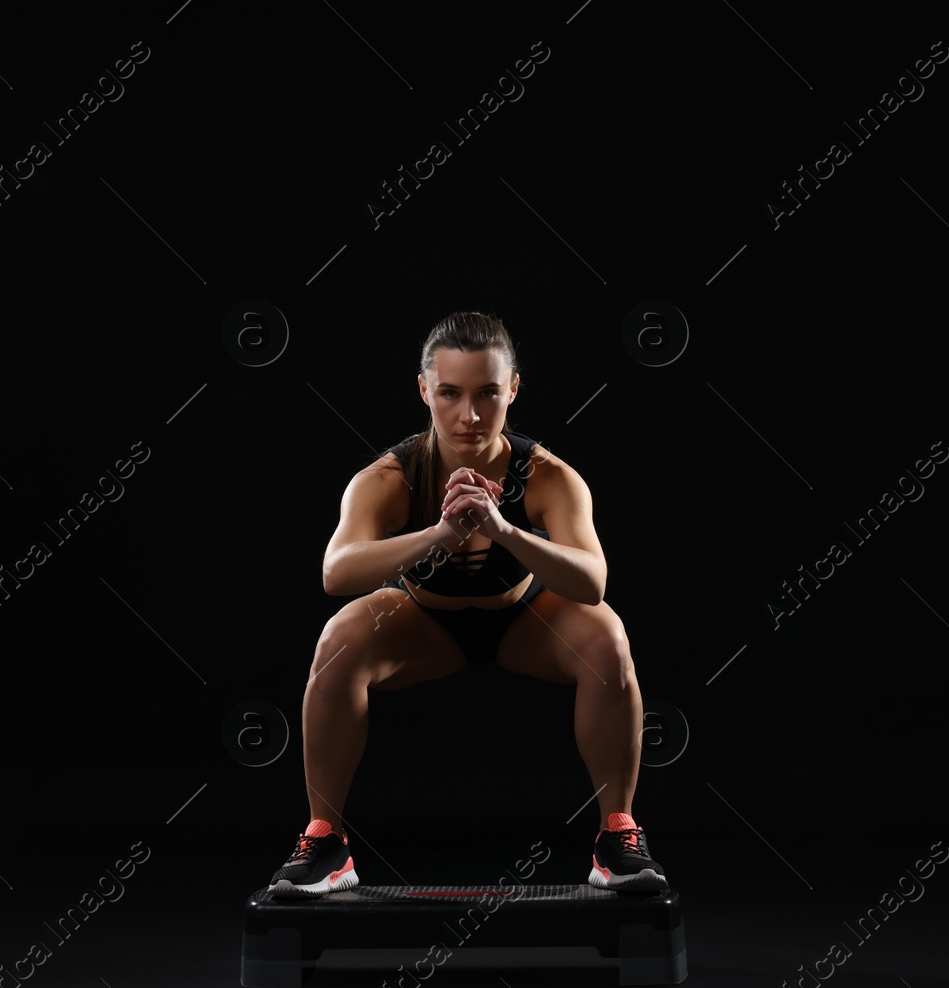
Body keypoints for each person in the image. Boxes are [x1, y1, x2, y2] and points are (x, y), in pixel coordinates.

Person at [267, 311, 668, 896]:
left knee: (608, 637)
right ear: (424, 389)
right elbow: (336, 571)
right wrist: (438, 535)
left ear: (513, 389)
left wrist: (504, 531)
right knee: (337, 640)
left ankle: (617, 836)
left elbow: (592, 581)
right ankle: (326, 842)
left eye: (487, 394)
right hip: (425, 627)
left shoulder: (550, 475)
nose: (470, 416)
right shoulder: (390, 476)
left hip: (525, 621)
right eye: (451, 394)